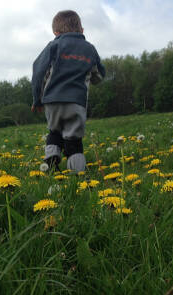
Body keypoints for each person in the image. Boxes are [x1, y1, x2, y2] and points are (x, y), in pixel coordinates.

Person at [31, 10, 105, 173]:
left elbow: (38, 72)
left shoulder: (54, 45)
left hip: (52, 100)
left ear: (55, 32)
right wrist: (93, 79)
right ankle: (78, 175)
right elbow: (99, 74)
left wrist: (37, 99)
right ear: (82, 30)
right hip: (76, 102)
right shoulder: (89, 49)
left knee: (54, 132)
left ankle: (51, 162)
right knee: (73, 140)